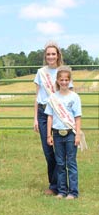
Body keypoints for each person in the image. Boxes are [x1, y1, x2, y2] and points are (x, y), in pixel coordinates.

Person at [33, 41, 73, 196]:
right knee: (48, 151)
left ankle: (60, 185)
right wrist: (35, 118)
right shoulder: (40, 72)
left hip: (60, 115)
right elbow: (37, 97)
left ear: (58, 55)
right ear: (45, 56)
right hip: (44, 114)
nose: (50, 56)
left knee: (61, 152)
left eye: (53, 54)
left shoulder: (63, 72)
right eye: (48, 54)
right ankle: (54, 183)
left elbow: (70, 95)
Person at [45, 66, 81, 199]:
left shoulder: (75, 97)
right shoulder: (53, 98)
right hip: (57, 134)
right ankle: (61, 191)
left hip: (70, 133)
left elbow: (77, 117)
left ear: (70, 81)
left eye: (66, 80)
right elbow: (50, 116)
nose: (64, 82)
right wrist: (49, 134)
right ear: (58, 81)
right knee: (60, 163)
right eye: (62, 80)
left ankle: (73, 192)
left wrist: (77, 134)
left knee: (71, 162)